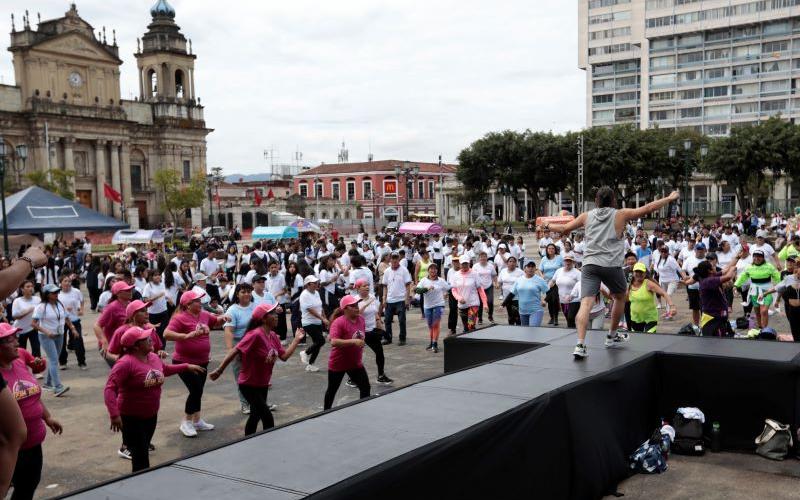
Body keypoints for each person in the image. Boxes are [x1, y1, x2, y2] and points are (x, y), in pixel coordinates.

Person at [544, 187, 679, 359]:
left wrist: (547, 225)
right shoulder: (621, 214)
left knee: (586, 303)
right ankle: (612, 335)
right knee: (620, 297)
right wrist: (669, 198)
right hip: (611, 266)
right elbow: (647, 209)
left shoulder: (586, 216)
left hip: (590, 265)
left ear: (596, 199)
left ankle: (580, 344)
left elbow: (564, 229)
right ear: (614, 200)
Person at [105, 326, 205, 472]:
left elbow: (163, 370)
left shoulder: (153, 357)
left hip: (151, 414)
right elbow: (109, 388)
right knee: (141, 457)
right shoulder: (125, 363)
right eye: (146, 339)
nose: (151, 339)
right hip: (131, 417)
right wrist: (114, 415)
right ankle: (142, 484)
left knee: (144, 448)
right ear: (136, 345)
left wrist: (186, 366)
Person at [211, 303, 305, 435]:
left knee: (255, 415)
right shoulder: (255, 335)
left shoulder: (272, 335)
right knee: (267, 416)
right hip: (248, 384)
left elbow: (284, 356)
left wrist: (296, 340)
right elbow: (235, 351)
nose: (276, 316)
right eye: (272, 314)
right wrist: (219, 370)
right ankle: (268, 444)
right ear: (263, 318)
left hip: (262, 384)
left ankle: (249, 440)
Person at [0, 323, 61, 500]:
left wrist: (48, 417)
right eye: (10, 340)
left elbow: (32, 395)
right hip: (10, 448)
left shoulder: (19, 362)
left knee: (28, 486)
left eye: (15, 338)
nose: (16, 343)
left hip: (34, 443)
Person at [164, 290, 229, 438]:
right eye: (197, 301)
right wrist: (186, 336)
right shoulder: (179, 318)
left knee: (198, 390)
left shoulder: (204, 314)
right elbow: (166, 334)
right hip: (184, 361)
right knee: (195, 390)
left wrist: (223, 318)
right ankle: (186, 422)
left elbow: (215, 321)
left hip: (203, 360)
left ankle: (197, 420)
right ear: (188, 305)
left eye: (200, 301)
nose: (200, 303)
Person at [323, 295, 371, 410]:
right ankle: (325, 412)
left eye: (357, 305)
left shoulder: (361, 319)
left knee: (365, 388)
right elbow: (334, 342)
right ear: (345, 309)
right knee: (332, 390)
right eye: (353, 306)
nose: (356, 307)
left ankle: (362, 410)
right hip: (338, 363)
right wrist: (354, 342)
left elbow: (362, 336)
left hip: (355, 363)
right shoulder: (339, 322)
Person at [31, 284, 76, 397]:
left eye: (57, 292)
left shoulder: (59, 304)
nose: (56, 294)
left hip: (59, 334)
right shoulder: (41, 307)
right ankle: (57, 387)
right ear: (47, 295)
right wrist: (46, 331)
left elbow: (66, 317)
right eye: (53, 292)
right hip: (46, 336)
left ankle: (48, 383)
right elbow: (33, 324)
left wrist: (73, 329)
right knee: (54, 360)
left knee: (54, 360)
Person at [223, 283, 256, 414]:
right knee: (241, 376)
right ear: (237, 294)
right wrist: (231, 350)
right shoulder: (232, 310)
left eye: (249, 291)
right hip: (239, 345)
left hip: (254, 344)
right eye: (243, 292)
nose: (247, 294)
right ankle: (245, 403)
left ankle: (259, 402)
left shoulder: (255, 307)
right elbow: (229, 331)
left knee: (256, 375)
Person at [354, 279, 393, 383]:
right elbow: (356, 315)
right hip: (360, 332)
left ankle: (381, 375)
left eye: (367, 285)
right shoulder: (355, 300)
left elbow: (375, 312)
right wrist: (366, 304)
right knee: (356, 356)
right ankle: (351, 379)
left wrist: (379, 324)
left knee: (380, 353)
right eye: (364, 286)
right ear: (358, 288)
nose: (367, 287)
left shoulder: (372, 297)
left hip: (371, 331)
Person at [735, 249, 781, 329]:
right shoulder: (749, 267)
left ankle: (765, 329)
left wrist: (781, 286)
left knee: (763, 311)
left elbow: (777, 277)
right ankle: (760, 327)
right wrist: (736, 285)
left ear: (763, 258)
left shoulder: (769, 266)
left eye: (759, 256)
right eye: (755, 256)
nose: (757, 258)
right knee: (757, 311)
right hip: (754, 291)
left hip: (767, 291)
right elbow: (742, 277)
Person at [95, 281, 135, 363]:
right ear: (118, 294)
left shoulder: (130, 304)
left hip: (123, 346)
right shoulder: (112, 307)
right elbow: (97, 326)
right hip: (111, 347)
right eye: (127, 290)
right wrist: (104, 342)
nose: (130, 292)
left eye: (130, 289)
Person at [627, 263, 674, 333]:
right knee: (637, 340)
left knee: (649, 339)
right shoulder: (629, 285)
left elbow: (664, 293)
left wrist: (672, 306)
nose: (639, 274)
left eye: (641, 272)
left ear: (645, 273)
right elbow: (624, 300)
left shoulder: (648, 284)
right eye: (637, 271)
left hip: (650, 318)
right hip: (635, 318)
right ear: (633, 273)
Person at [417, 264, 451, 353]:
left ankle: (435, 344)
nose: (433, 270)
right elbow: (417, 290)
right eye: (431, 269)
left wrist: (447, 294)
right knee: (430, 325)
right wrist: (426, 289)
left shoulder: (441, 281)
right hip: (427, 306)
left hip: (439, 305)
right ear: (428, 270)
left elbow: (449, 288)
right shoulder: (424, 280)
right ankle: (432, 342)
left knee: (435, 324)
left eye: (435, 269)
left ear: (437, 270)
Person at [298, 275, 328, 372]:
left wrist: (324, 317)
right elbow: (310, 309)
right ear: (308, 284)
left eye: (317, 282)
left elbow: (320, 307)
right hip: (308, 322)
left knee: (317, 344)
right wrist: (322, 319)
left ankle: (310, 365)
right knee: (321, 341)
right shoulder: (304, 295)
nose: (317, 284)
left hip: (317, 321)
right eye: (314, 283)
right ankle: (305, 353)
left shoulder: (316, 293)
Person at [763, 262, 800, 341]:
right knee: (795, 331)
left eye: (799, 268)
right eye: (796, 267)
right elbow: (777, 287)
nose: (797, 270)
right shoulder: (789, 278)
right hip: (792, 310)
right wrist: (765, 294)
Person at [381, 252, 412, 345]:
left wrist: (407, 299)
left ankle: (402, 338)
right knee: (387, 320)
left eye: (396, 258)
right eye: (392, 258)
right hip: (389, 299)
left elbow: (407, 286)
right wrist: (384, 299)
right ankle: (388, 338)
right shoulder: (387, 271)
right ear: (390, 259)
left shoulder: (404, 270)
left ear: (398, 259)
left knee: (402, 320)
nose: (394, 260)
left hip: (401, 299)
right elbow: (385, 286)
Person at [450, 258, 488, 332]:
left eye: (466, 263)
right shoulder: (456, 275)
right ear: (460, 264)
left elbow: (480, 289)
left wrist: (485, 304)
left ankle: (472, 339)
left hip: (473, 303)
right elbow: (454, 290)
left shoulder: (474, 274)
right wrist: (459, 298)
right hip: (462, 304)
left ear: (469, 263)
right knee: (466, 328)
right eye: (463, 263)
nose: (464, 265)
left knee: (471, 325)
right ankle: (470, 339)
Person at [58, 274, 86, 370]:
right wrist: (65, 309)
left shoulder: (76, 291)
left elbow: (82, 300)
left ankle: (82, 362)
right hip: (62, 322)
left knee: (78, 341)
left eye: (69, 281)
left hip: (74, 320)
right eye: (65, 281)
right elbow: (55, 307)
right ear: (60, 283)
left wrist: (81, 310)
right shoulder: (57, 294)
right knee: (62, 342)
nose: (67, 283)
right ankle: (62, 362)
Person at [510, 261, 549, 326]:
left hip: (536, 310)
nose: (530, 268)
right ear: (524, 268)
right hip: (523, 311)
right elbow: (512, 293)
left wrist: (545, 300)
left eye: (532, 267)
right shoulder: (519, 280)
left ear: (535, 269)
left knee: (533, 330)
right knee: (526, 333)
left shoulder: (540, 280)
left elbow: (549, 293)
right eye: (528, 266)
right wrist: (503, 305)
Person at [550, 253, 581, 328]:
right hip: (563, 300)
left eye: (570, 261)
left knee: (570, 317)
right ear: (564, 262)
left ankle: (574, 333)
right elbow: (553, 280)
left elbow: (581, 285)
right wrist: (550, 285)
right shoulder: (559, 271)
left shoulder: (577, 273)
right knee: (568, 319)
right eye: (566, 261)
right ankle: (572, 332)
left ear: (573, 262)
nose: (568, 262)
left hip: (574, 300)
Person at [12, 281, 41, 361]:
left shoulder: (37, 299)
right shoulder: (17, 301)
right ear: (22, 289)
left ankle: (36, 369)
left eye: (31, 286)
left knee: (36, 349)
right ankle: (21, 369)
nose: (30, 288)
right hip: (20, 330)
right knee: (21, 351)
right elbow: (15, 316)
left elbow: (42, 313)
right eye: (27, 287)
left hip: (33, 328)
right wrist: (28, 310)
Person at [540, 244, 563, 326]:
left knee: (554, 299)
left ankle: (556, 317)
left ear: (555, 250)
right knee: (551, 301)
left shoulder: (559, 258)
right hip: (547, 282)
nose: (551, 250)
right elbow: (540, 270)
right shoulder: (544, 259)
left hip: (557, 281)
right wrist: (542, 276)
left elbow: (563, 268)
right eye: (549, 248)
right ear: (546, 250)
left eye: (552, 248)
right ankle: (551, 317)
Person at [472, 252, 497, 324]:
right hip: (479, 287)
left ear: (487, 258)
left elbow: (494, 275)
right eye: (481, 257)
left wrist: (496, 283)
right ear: (479, 258)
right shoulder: (475, 266)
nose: (483, 258)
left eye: (484, 257)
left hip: (489, 286)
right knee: (480, 303)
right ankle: (480, 318)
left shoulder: (490, 266)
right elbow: (473, 276)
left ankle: (490, 316)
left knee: (490, 301)